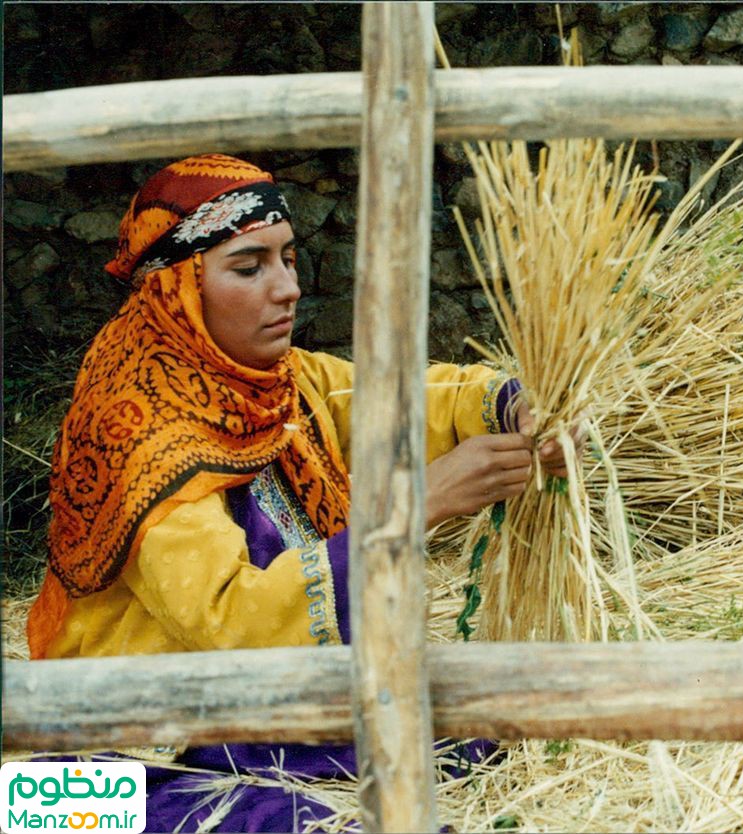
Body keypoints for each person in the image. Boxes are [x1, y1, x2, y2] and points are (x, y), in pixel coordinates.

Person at [25, 153, 567, 832]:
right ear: (178, 291)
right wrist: (413, 509)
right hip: (125, 743)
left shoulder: (272, 382)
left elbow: (395, 400)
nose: (286, 289)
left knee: (484, 719)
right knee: (276, 824)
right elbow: (235, 621)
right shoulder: (134, 427)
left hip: (247, 712)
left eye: (287, 258)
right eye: (249, 267)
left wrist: (511, 405)